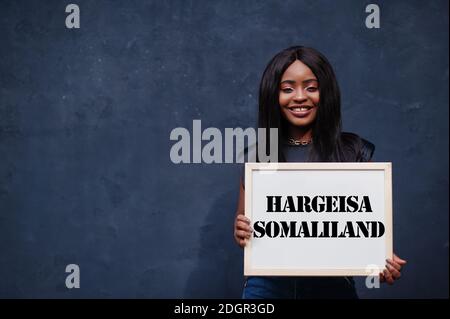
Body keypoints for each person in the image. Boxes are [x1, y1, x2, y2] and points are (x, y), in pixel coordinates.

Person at [234, 46, 407, 299]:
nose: (300, 96)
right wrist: (240, 230)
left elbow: (366, 225)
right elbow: (242, 221)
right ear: (273, 95)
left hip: (332, 287)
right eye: (288, 88)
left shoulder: (352, 150)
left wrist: (380, 255)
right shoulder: (259, 155)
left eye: (311, 88)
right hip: (267, 286)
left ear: (325, 94)